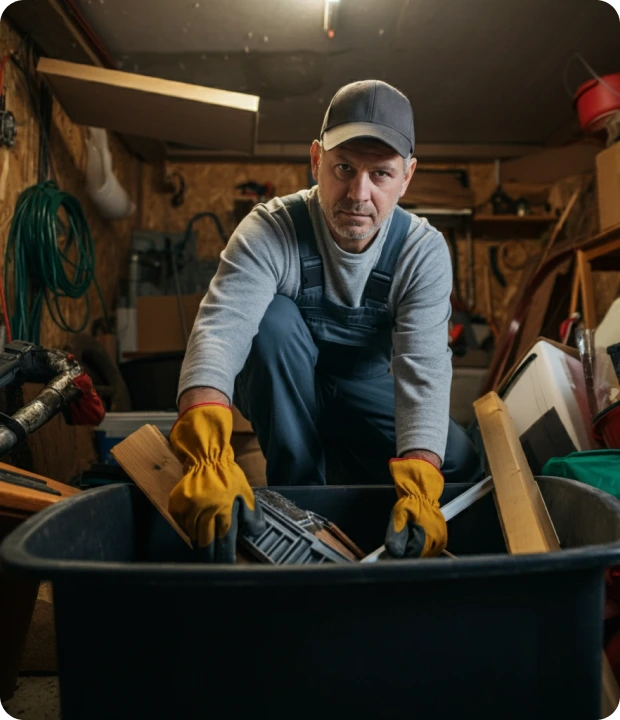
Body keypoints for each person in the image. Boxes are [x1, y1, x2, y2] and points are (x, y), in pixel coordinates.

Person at [168, 80, 481, 563]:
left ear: (407, 177)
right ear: (316, 160)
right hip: (286, 389)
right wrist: (206, 453)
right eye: (343, 168)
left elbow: (423, 372)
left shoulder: (422, 251)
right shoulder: (270, 229)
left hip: (366, 389)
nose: (359, 193)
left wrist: (420, 485)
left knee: (458, 462)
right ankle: (299, 500)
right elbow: (220, 329)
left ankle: (349, 468)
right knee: (270, 320)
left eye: (381, 174)